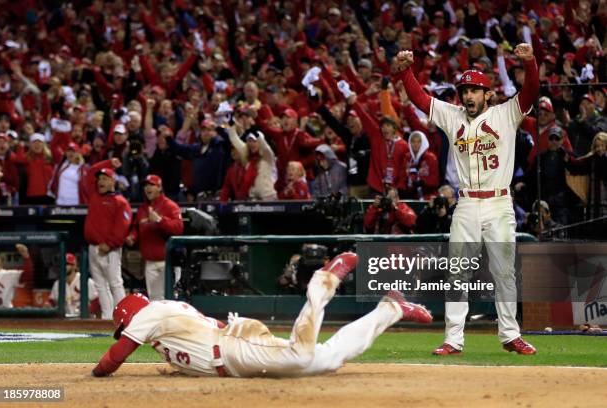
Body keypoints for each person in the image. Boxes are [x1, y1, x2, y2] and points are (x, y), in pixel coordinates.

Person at [392, 43, 539, 355]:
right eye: (465, 90)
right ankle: (453, 340)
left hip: (499, 203)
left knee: (504, 271)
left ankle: (510, 335)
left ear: (488, 94)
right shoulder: (452, 115)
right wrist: (406, 71)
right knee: (458, 270)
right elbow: (420, 99)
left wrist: (531, 64)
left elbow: (529, 93)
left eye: (475, 90)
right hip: (468, 202)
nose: (469, 96)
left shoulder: (506, 113)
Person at [91, 252, 433, 378]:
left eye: (124, 327)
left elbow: (112, 360)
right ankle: (391, 309)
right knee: (326, 359)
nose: (125, 333)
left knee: (300, 355)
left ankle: (324, 280)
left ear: (130, 316)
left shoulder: (149, 313)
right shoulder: (164, 323)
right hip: (232, 349)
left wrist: (95, 372)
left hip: (231, 351)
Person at [83, 158, 132, 319]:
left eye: (105, 178)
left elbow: (122, 227)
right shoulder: (94, 196)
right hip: (93, 247)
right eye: (100, 179)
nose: (100, 182)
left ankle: (124, 317)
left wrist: (110, 244)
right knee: (100, 285)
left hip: (110, 249)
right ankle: (107, 317)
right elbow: (90, 173)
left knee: (115, 283)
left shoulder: (120, 202)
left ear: (113, 182)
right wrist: (109, 163)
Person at [126, 175, 183, 300]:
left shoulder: (170, 206)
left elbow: (178, 228)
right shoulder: (143, 209)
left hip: (167, 262)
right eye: (146, 186)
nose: (147, 188)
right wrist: (132, 236)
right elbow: (137, 227)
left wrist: (159, 220)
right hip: (150, 262)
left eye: (151, 185)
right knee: (154, 299)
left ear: (159, 187)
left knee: (170, 299)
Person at [49, 253, 100, 317]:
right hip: (66, 321)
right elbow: (52, 302)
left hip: (85, 320)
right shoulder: (57, 283)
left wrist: (86, 312)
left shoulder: (85, 281)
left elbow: (96, 302)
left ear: (74, 266)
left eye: (67, 264)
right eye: (62, 264)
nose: (64, 266)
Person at [402, 130, 439, 200]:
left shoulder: (431, 158)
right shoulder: (407, 158)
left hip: (428, 196)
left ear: (423, 143)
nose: (415, 144)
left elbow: (435, 180)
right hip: (410, 196)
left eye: (419, 142)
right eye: (413, 141)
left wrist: (422, 182)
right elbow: (402, 176)